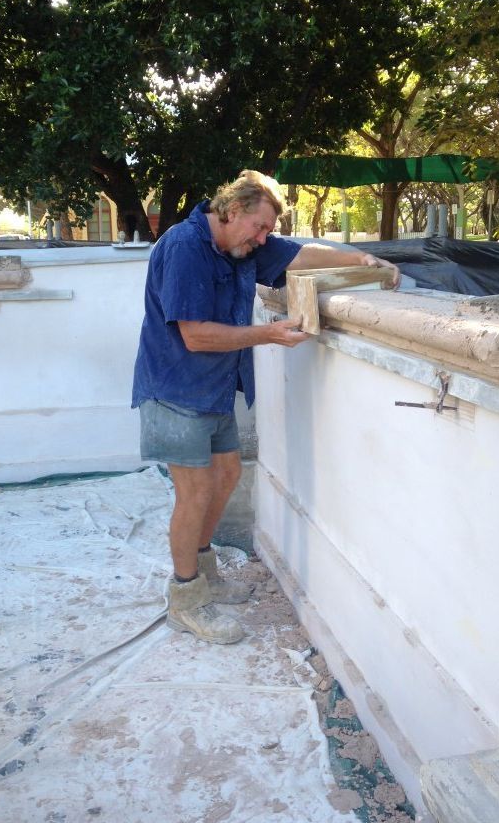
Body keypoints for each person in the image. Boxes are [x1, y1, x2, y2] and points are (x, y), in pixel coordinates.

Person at [132, 170, 399, 644]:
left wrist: (360, 257)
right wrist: (269, 335)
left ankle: (205, 569)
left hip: (213, 389)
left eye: (266, 232)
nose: (262, 239)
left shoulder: (243, 244)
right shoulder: (184, 247)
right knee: (194, 492)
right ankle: (185, 598)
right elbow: (195, 335)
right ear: (230, 211)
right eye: (258, 228)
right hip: (174, 387)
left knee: (228, 474)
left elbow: (299, 253)